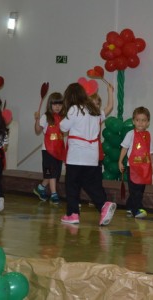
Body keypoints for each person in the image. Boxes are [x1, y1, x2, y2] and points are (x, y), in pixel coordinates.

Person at [60, 82, 116, 226]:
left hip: (76, 155)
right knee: (88, 183)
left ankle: (73, 214)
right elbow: (108, 109)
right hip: (92, 155)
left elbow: (63, 126)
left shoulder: (74, 109)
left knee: (72, 185)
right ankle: (103, 205)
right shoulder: (94, 110)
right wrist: (110, 92)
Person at [118, 106, 153, 218]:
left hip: (144, 167)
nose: (140, 123)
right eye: (138, 120)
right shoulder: (131, 134)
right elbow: (124, 148)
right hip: (132, 167)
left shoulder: (148, 135)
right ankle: (137, 210)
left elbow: (150, 151)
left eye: (144, 120)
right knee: (135, 190)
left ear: (148, 122)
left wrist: (152, 164)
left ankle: (129, 206)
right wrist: (120, 161)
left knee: (140, 189)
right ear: (133, 121)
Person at [33, 92, 65, 205]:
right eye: (55, 104)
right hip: (47, 149)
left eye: (60, 104)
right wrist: (37, 120)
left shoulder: (63, 118)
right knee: (51, 172)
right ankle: (54, 194)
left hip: (59, 150)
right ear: (50, 104)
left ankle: (41, 188)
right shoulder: (45, 116)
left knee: (54, 173)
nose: (57, 107)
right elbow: (37, 131)